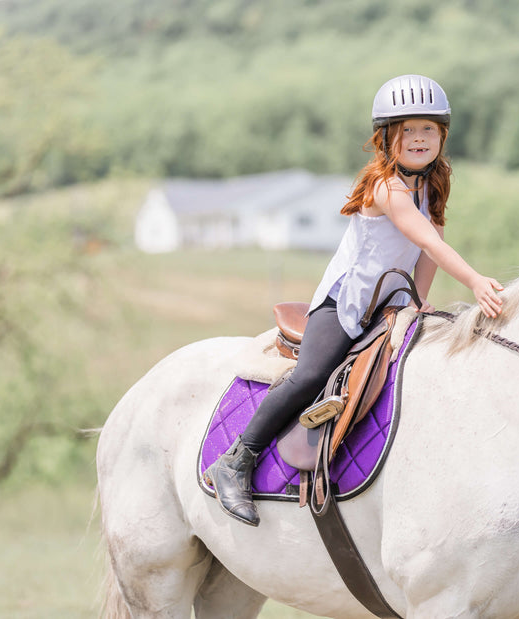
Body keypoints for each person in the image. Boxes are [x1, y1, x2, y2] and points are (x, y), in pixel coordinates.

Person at [205, 74, 503, 526]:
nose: (419, 139)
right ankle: (237, 459)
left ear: (442, 135)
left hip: (389, 304)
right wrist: (475, 281)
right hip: (346, 304)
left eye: (428, 129)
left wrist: (417, 304)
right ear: (386, 139)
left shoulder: (435, 181)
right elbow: (426, 238)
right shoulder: (386, 187)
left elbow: (429, 250)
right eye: (407, 130)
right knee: (311, 374)